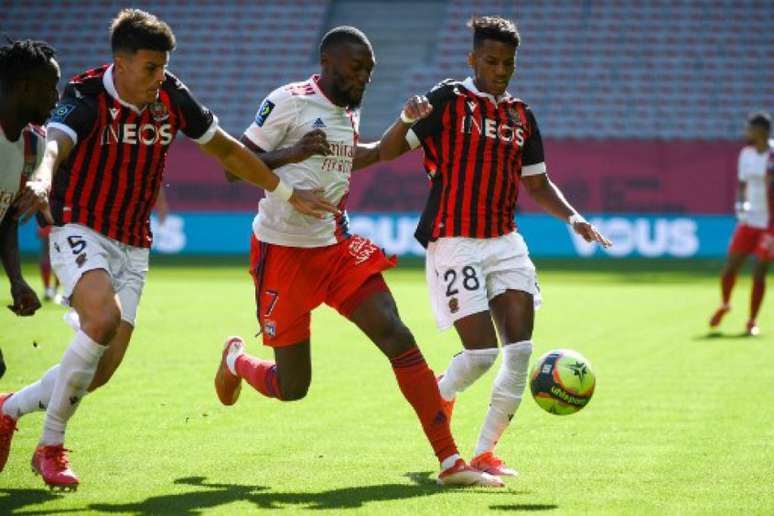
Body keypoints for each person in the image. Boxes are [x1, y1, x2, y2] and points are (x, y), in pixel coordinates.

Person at [1, 9, 336, 491]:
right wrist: (40, 178)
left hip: (134, 244)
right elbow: (54, 146)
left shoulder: (171, 97)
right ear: (120, 63)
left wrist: (284, 191)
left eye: (163, 67)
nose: (160, 79)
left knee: (99, 370)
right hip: (80, 227)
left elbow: (226, 150)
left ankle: (8, 410)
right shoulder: (85, 95)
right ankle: (50, 446)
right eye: (150, 69)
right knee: (101, 320)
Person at [214, 26, 503, 488]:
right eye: (356, 69)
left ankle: (450, 461)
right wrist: (295, 152)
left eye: (369, 71)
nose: (363, 78)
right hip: (282, 251)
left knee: (397, 333)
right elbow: (233, 167)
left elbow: (358, 156)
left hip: (336, 247)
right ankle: (237, 362)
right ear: (327, 63)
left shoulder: (349, 108)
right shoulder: (287, 101)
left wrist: (406, 123)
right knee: (294, 387)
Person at [375, 16, 611, 476]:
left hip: (505, 240)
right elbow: (387, 152)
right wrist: (405, 117)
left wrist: (574, 218)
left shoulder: (521, 116)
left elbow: (538, 183)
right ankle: (437, 396)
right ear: (472, 59)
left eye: (508, 63)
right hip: (455, 239)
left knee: (520, 351)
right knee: (482, 354)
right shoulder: (447, 100)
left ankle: (485, 452)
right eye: (491, 60)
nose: (500, 70)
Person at [0, 39, 59, 378]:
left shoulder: (31, 146)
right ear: (23, 87)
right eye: (50, 88)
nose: (56, 97)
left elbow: (6, 220)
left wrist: (17, 280)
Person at [709, 112, 773, 336]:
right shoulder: (745, 154)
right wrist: (740, 204)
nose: (747, 132)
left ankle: (752, 321)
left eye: (751, 128)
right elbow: (742, 184)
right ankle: (725, 304)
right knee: (730, 267)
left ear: (762, 131)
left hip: (769, 223)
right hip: (749, 220)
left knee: (759, 273)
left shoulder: (773, 155)